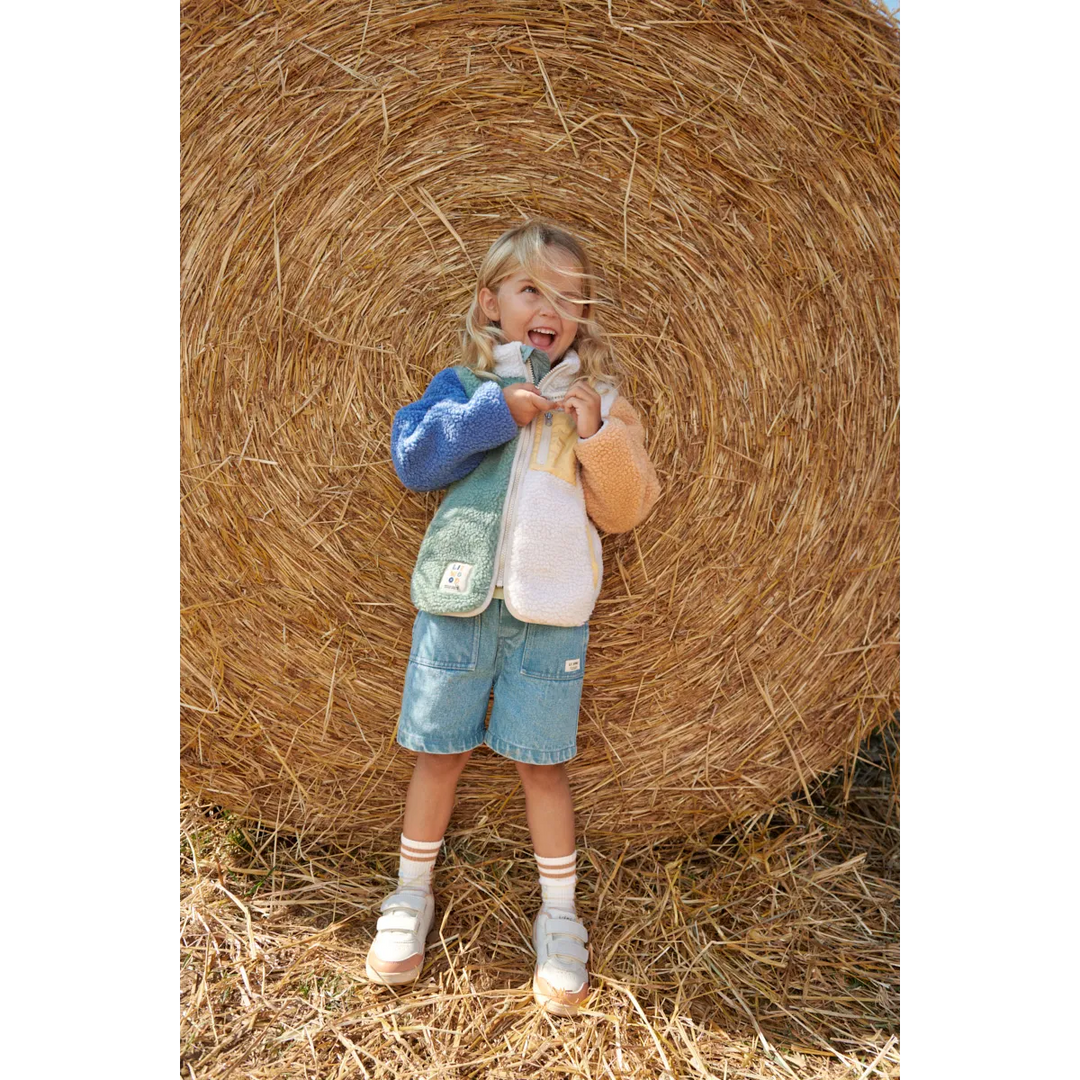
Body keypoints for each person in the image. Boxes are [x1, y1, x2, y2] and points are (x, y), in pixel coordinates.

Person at [366, 220, 661, 1016]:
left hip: (550, 617)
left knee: (542, 766)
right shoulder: (464, 388)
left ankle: (560, 918)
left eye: (568, 296)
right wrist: (496, 412)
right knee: (438, 754)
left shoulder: (601, 404)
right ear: (490, 303)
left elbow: (627, 508)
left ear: (583, 317)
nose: (550, 308)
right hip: (458, 600)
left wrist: (594, 432)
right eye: (532, 289)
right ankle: (409, 896)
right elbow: (414, 460)